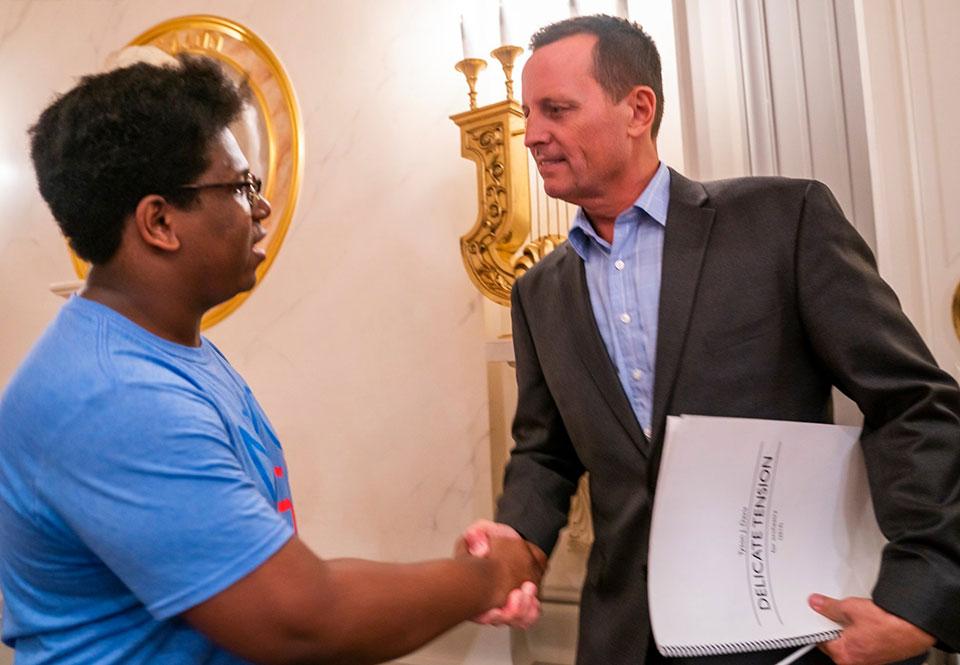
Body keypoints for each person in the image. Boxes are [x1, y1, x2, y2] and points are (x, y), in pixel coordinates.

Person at [0, 53, 540, 664]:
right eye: (239, 187)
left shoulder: (170, 349)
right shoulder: (110, 393)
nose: (259, 208)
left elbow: (277, 568)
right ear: (159, 221)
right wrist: (489, 576)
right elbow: (305, 618)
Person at [462, 15, 960, 665]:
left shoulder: (786, 222)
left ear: (638, 108)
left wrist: (918, 591)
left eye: (556, 109)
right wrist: (513, 545)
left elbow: (912, 403)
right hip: (624, 640)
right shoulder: (537, 292)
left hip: (790, 638)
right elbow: (546, 454)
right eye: (530, 112)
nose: (532, 135)